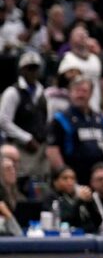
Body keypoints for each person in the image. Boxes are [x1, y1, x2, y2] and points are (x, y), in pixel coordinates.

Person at [46, 77, 103, 186]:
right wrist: (67, 179)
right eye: (76, 90)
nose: (80, 95)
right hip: (74, 179)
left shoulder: (100, 119)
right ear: (70, 93)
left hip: (98, 179)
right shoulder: (61, 119)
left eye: (84, 91)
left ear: (91, 93)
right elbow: (52, 151)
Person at [0, 51, 49, 181]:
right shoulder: (13, 92)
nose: (33, 72)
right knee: (22, 179)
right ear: (22, 70)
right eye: (29, 68)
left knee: (41, 181)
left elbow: (45, 118)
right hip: (20, 147)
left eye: (35, 68)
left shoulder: (42, 92)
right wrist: (26, 138)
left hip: (40, 146)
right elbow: (4, 121)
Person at [57, 26, 103, 113]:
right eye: (78, 35)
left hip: (95, 107)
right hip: (74, 108)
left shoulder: (95, 59)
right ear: (71, 40)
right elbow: (61, 84)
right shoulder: (68, 58)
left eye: (84, 35)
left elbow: (101, 83)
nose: (82, 37)